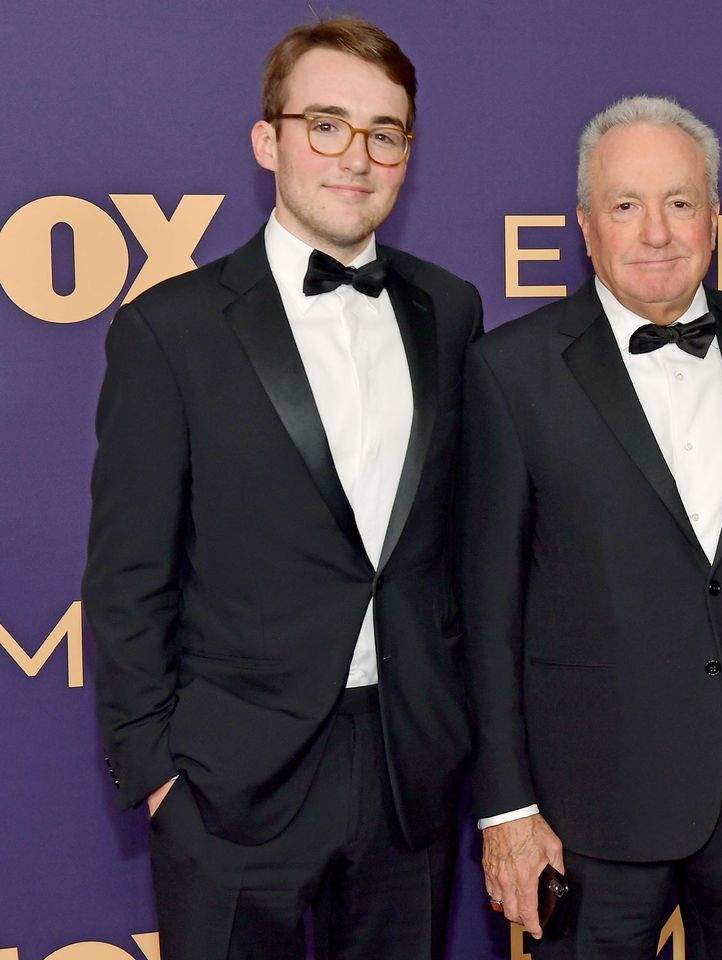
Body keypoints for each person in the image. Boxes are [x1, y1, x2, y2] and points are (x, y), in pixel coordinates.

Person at [83, 17, 481, 960]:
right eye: (327, 124)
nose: (358, 155)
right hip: (229, 782)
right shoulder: (170, 330)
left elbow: (462, 540)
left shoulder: (450, 309)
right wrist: (158, 775)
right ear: (269, 141)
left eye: (385, 132)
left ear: (407, 154)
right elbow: (127, 573)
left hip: (406, 769)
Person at [462, 95, 722, 959]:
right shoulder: (510, 372)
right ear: (586, 226)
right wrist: (509, 808)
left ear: (714, 218)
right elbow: (486, 612)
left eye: (680, 203)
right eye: (627, 206)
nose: (657, 231)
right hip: (586, 811)